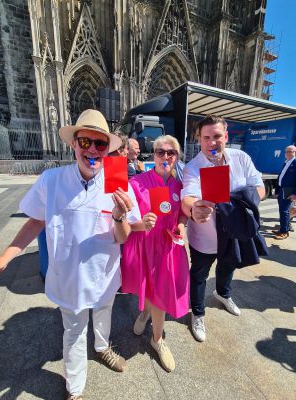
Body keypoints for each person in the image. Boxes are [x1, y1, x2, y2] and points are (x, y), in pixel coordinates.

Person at [0, 109, 141, 400]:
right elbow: (36, 220)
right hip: (68, 278)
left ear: (107, 150)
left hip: (104, 273)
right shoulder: (51, 180)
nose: (92, 150)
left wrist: (118, 216)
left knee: (103, 314)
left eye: (100, 144)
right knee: (73, 331)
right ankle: (75, 389)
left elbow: (123, 236)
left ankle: (102, 348)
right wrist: (6, 256)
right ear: (73, 143)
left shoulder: (117, 182)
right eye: (85, 142)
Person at [181, 115, 265, 343]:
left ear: (225, 136)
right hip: (204, 238)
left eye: (217, 136)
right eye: (206, 137)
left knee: (228, 266)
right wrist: (193, 210)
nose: (212, 142)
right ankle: (197, 313)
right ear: (199, 140)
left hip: (233, 234)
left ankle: (223, 293)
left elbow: (259, 188)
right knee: (199, 275)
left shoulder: (241, 158)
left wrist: (240, 204)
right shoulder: (193, 167)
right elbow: (187, 196)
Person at [121, 135, 190, 372]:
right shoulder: (137, 182)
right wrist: (142, 223)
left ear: (177, 157)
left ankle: (157, 339)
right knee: (150, 288)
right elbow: (127, 222)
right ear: (154, 155)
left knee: (160, 291)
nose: (165, 157)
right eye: (160, 152)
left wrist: (182, 224)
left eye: (171, 153)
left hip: (168, 247)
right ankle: (145, 311)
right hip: (145, 246)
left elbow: (182, 213)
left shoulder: (180, 186)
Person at [272, 145, 296, 239]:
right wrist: (277, 190)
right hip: (282, 189)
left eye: (291, 151)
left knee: (285, 211)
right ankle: (282, 229)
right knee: (282, 210)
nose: (288, 153)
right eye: (287, 152)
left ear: (295, 152)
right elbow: (280, 177)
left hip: (289, 190)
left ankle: (284, 232)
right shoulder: (286, 162)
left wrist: (294, 193)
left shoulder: (295, 162)